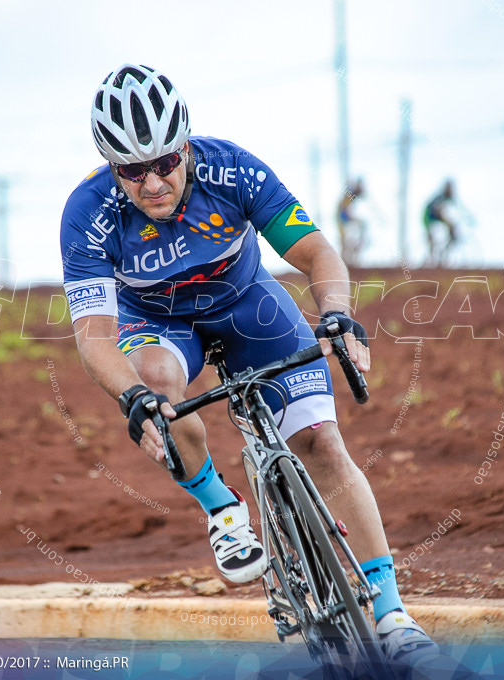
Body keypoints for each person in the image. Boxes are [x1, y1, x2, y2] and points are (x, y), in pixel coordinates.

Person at [60, 64, 437, 662]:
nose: (153, 182)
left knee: (321, 443)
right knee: (156, 386)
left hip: (247, 305)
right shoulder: (88, 212)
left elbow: (316, 252)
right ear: (111, 166)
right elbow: (95, 336)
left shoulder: (231, 168)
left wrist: (336, 313)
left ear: (185, 147)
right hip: (155, 324)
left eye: (165, 162)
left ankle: (393, 617)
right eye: (133, 170)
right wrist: (133, 399)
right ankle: (222, 507)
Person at [422, 179, 459, 266]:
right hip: (428, 217)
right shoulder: (441, 197)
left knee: (452, 229)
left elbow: (460, 208)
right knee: (431, 241)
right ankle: (431, 261)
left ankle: (443, 254)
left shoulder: (449, 198)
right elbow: (437, 210)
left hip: (437, 217)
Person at [335, 178, 366, 268]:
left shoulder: (350, 197)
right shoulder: (348, 197)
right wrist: (354, 220)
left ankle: (349, 262)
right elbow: (344, 212)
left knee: (349, 242)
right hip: (343, 221)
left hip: (345, 221)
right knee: (345, 242)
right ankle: (344, 263)